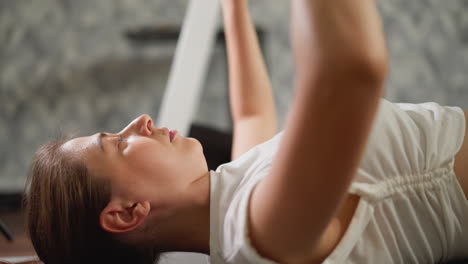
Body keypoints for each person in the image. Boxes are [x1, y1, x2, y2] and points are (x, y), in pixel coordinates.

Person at [25, 0, 468, 263]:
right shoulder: (256, 230)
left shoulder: (235, 201)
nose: (138, 122)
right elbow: (350, 69)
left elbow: (253, 114)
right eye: (118, 144)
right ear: (126, 212)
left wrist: (231, 5)